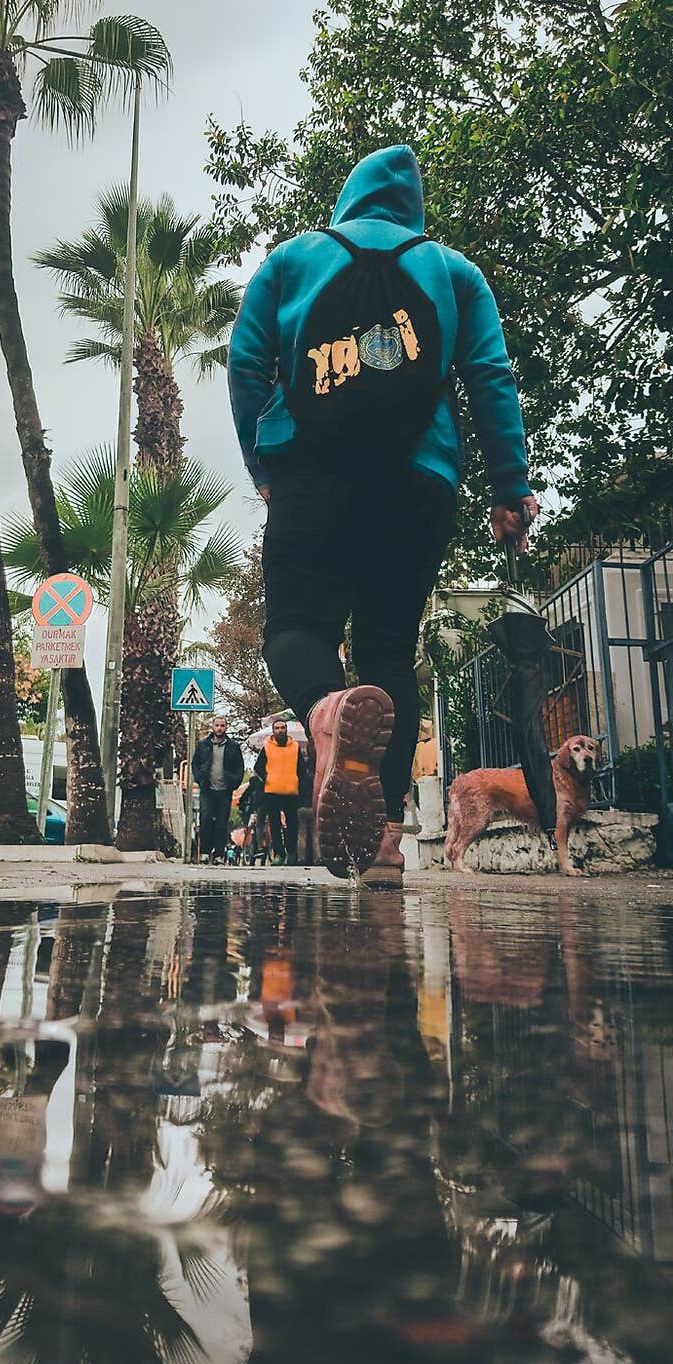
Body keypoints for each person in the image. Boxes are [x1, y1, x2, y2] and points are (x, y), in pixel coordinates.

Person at [228, 144, 537, 885]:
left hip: (313, 473)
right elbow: (490, 378)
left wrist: (264, 465)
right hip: (417, 482)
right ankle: (384, 844)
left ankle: (327, 710)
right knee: (390, 651)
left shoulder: (293, 258)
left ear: (349, 197)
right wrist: (508, 488)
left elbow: (245, 361)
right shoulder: (456, 273)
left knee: (296, 631)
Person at [253, 716, 309, 865]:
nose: (280, 730)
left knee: (293, 824)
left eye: (282, 728)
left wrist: (299, 783)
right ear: (273, 731)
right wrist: (268, 777)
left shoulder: (295, 747)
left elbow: (302, 769)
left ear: (286, 730)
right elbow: (258, 767)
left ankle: (291, 852)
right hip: (272, 791)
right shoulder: (267, 746)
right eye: (277, 728)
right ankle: (279, 854)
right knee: (275, 823)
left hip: (291, 790)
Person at [192, 715, 245, 863]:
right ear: (212, 727)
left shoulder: (233, 746)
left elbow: (240, 767)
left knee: (222, 822)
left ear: (226, 727)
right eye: (217, 725)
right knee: (206, 819)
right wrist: (199, 777)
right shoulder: (203, 744)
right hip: (207, 789)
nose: (219, 728)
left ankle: (219, 854)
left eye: (222, 725)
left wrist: (234, 781)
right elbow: (194, 763)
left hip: (225, 790)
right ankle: (204, 852)